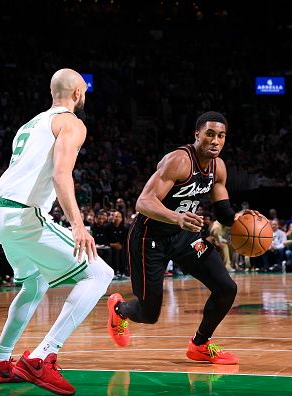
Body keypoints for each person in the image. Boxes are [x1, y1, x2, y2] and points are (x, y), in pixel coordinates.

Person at [0, 68, 114, 394]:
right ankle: (41, 357)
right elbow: (60, 175)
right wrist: (79, 226)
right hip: (22, 215)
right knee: (99, 273)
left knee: (34, 284)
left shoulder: (31, 123)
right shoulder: (72, 123)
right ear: (78, 94)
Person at [107, 111, 256, 365]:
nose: (215, 140)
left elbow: (223, 213)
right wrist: (176, 217)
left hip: (185, 237)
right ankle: (119, 310)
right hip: (149, 239)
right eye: (210, 134)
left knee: (226, 288)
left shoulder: (218, 167)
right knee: (149, 313)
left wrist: (241, 220)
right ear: (197, 134)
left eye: (221, 136)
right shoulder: (179, 161)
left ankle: (199, 344)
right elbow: (143, 202)